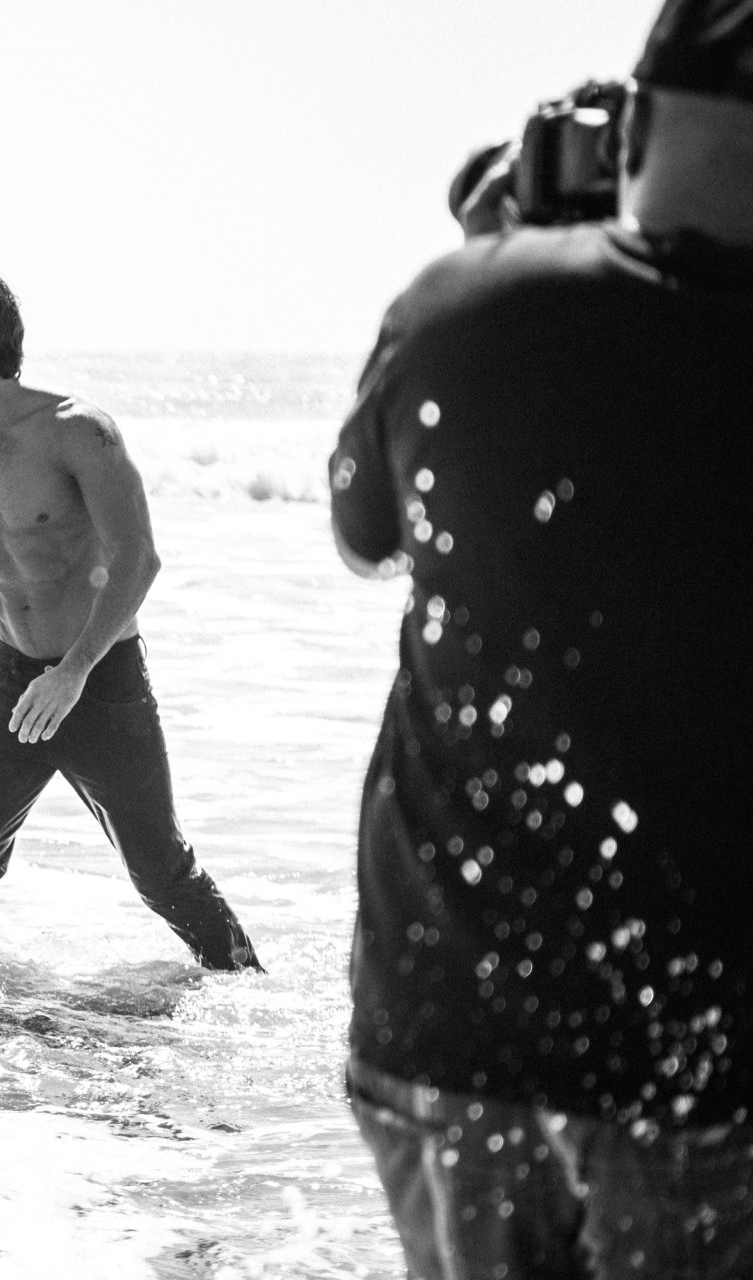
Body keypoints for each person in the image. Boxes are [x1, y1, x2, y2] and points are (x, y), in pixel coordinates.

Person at [329, 1, 753, 1273]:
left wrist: (499, 250)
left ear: (641, 126)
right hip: (709, 1052)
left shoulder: (465, 305)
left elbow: (366, 538)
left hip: (449, 1019)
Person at [0, 267, 260, 972]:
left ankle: (250, 994)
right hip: (16, 683)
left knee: (161, 873)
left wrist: (73, 673)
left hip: (99, 680)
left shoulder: (78, 432)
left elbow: (138, 559)